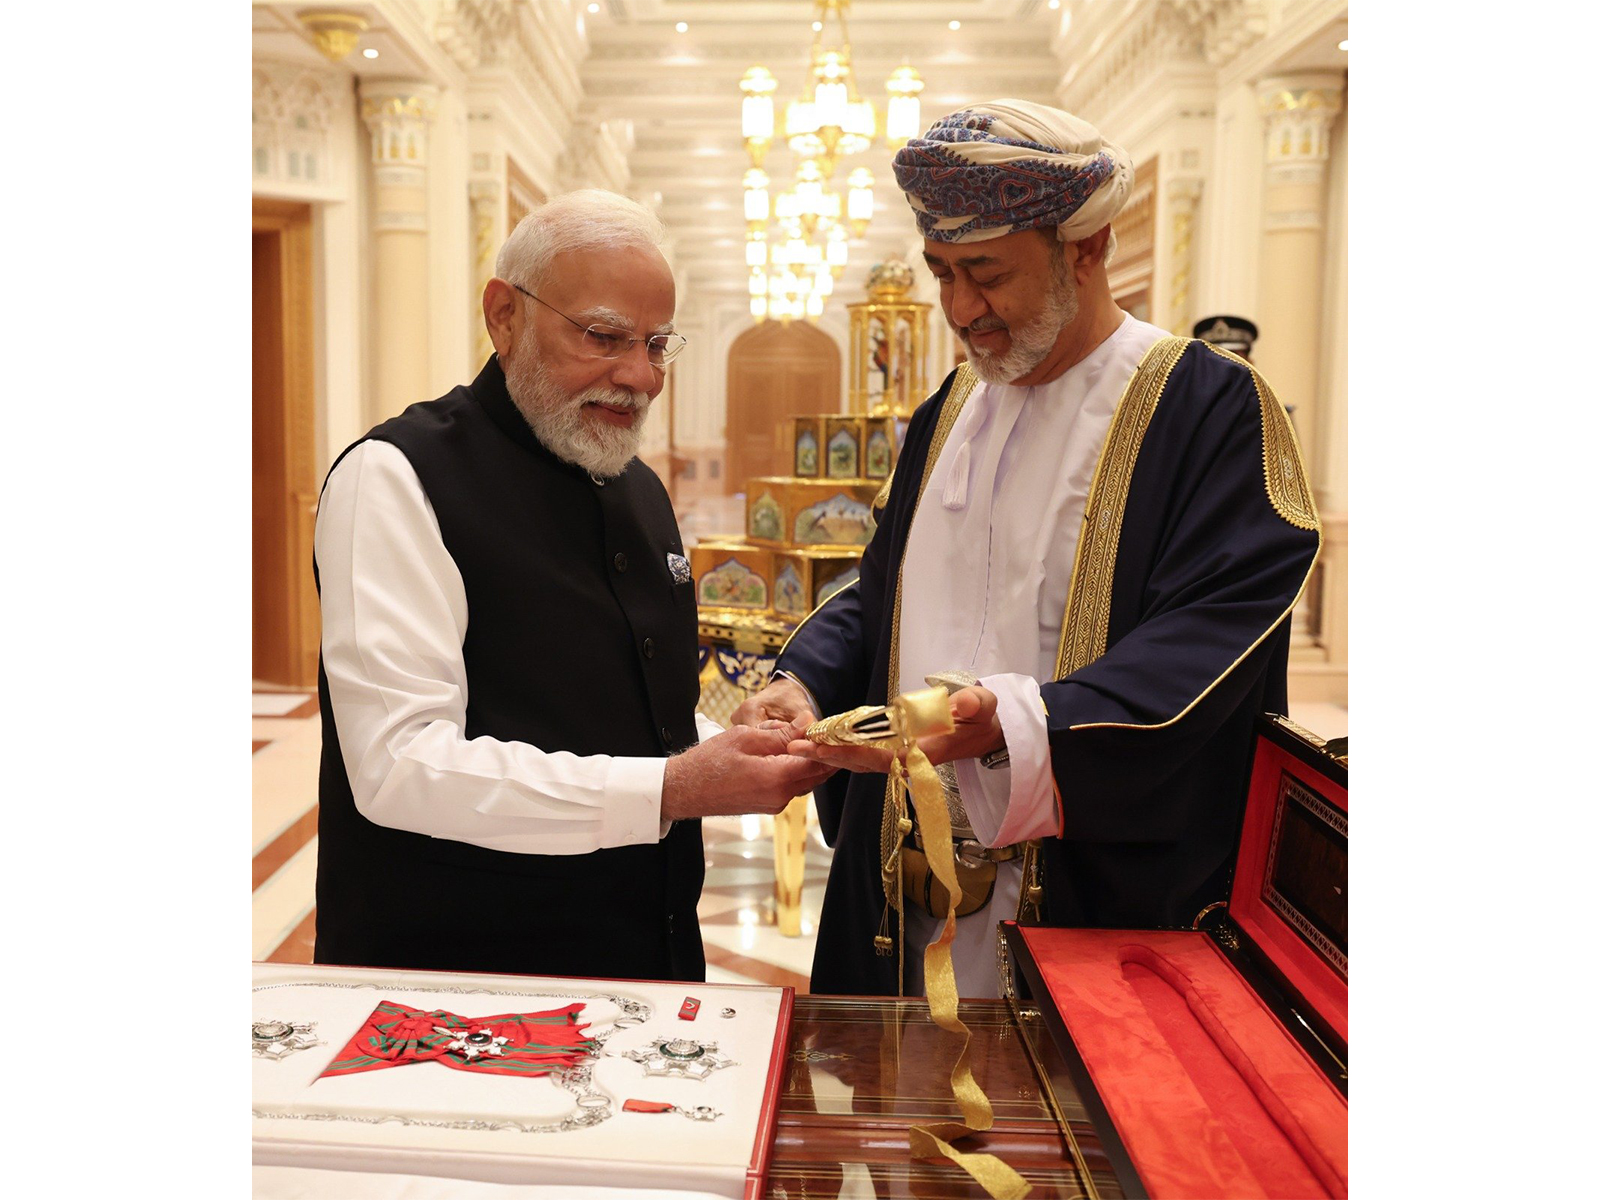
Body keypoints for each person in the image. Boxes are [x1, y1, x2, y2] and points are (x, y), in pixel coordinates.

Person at [733, 101, 1321, 999]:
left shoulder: (1208, 409)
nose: (962, 310)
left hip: (1092, 891)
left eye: (986, 273)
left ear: (1088, 247)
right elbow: (885, 589)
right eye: (942, 273)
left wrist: (1003, 726)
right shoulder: (951, 408)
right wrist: (805, 678)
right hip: (904, 882)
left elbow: (1211, 636)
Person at [313, 189, 833, 981]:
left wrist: (726, 738)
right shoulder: (397, 477)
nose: (640, 376)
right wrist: (670, 787)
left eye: (657, 344)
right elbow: (398, 766)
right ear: (503, 314)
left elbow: (609, 698)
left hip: (645, 960)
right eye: (604, 336)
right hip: (463, 982)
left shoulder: (639, 488)